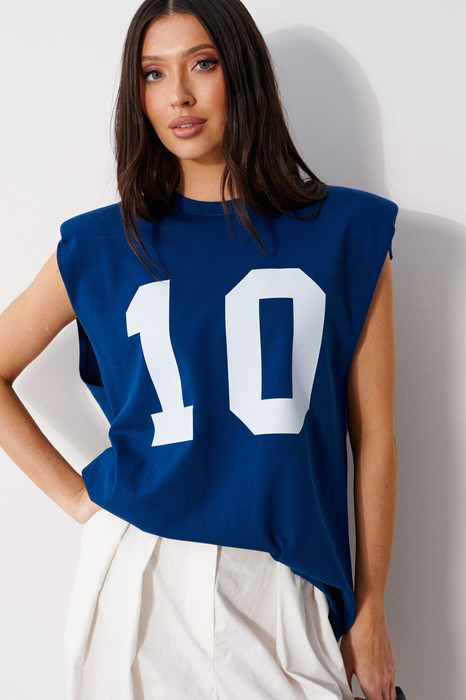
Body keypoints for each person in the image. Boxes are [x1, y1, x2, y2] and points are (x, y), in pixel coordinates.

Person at [0, 0, 400, 698]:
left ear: (241, 72)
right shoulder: (100, 245)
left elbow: (376, 436)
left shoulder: (348, 233)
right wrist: (79, 500)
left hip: (287, 577)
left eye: (203, 64)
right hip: (141, 575)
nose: (178, 95)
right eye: (153, 74)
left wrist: (371, 607)